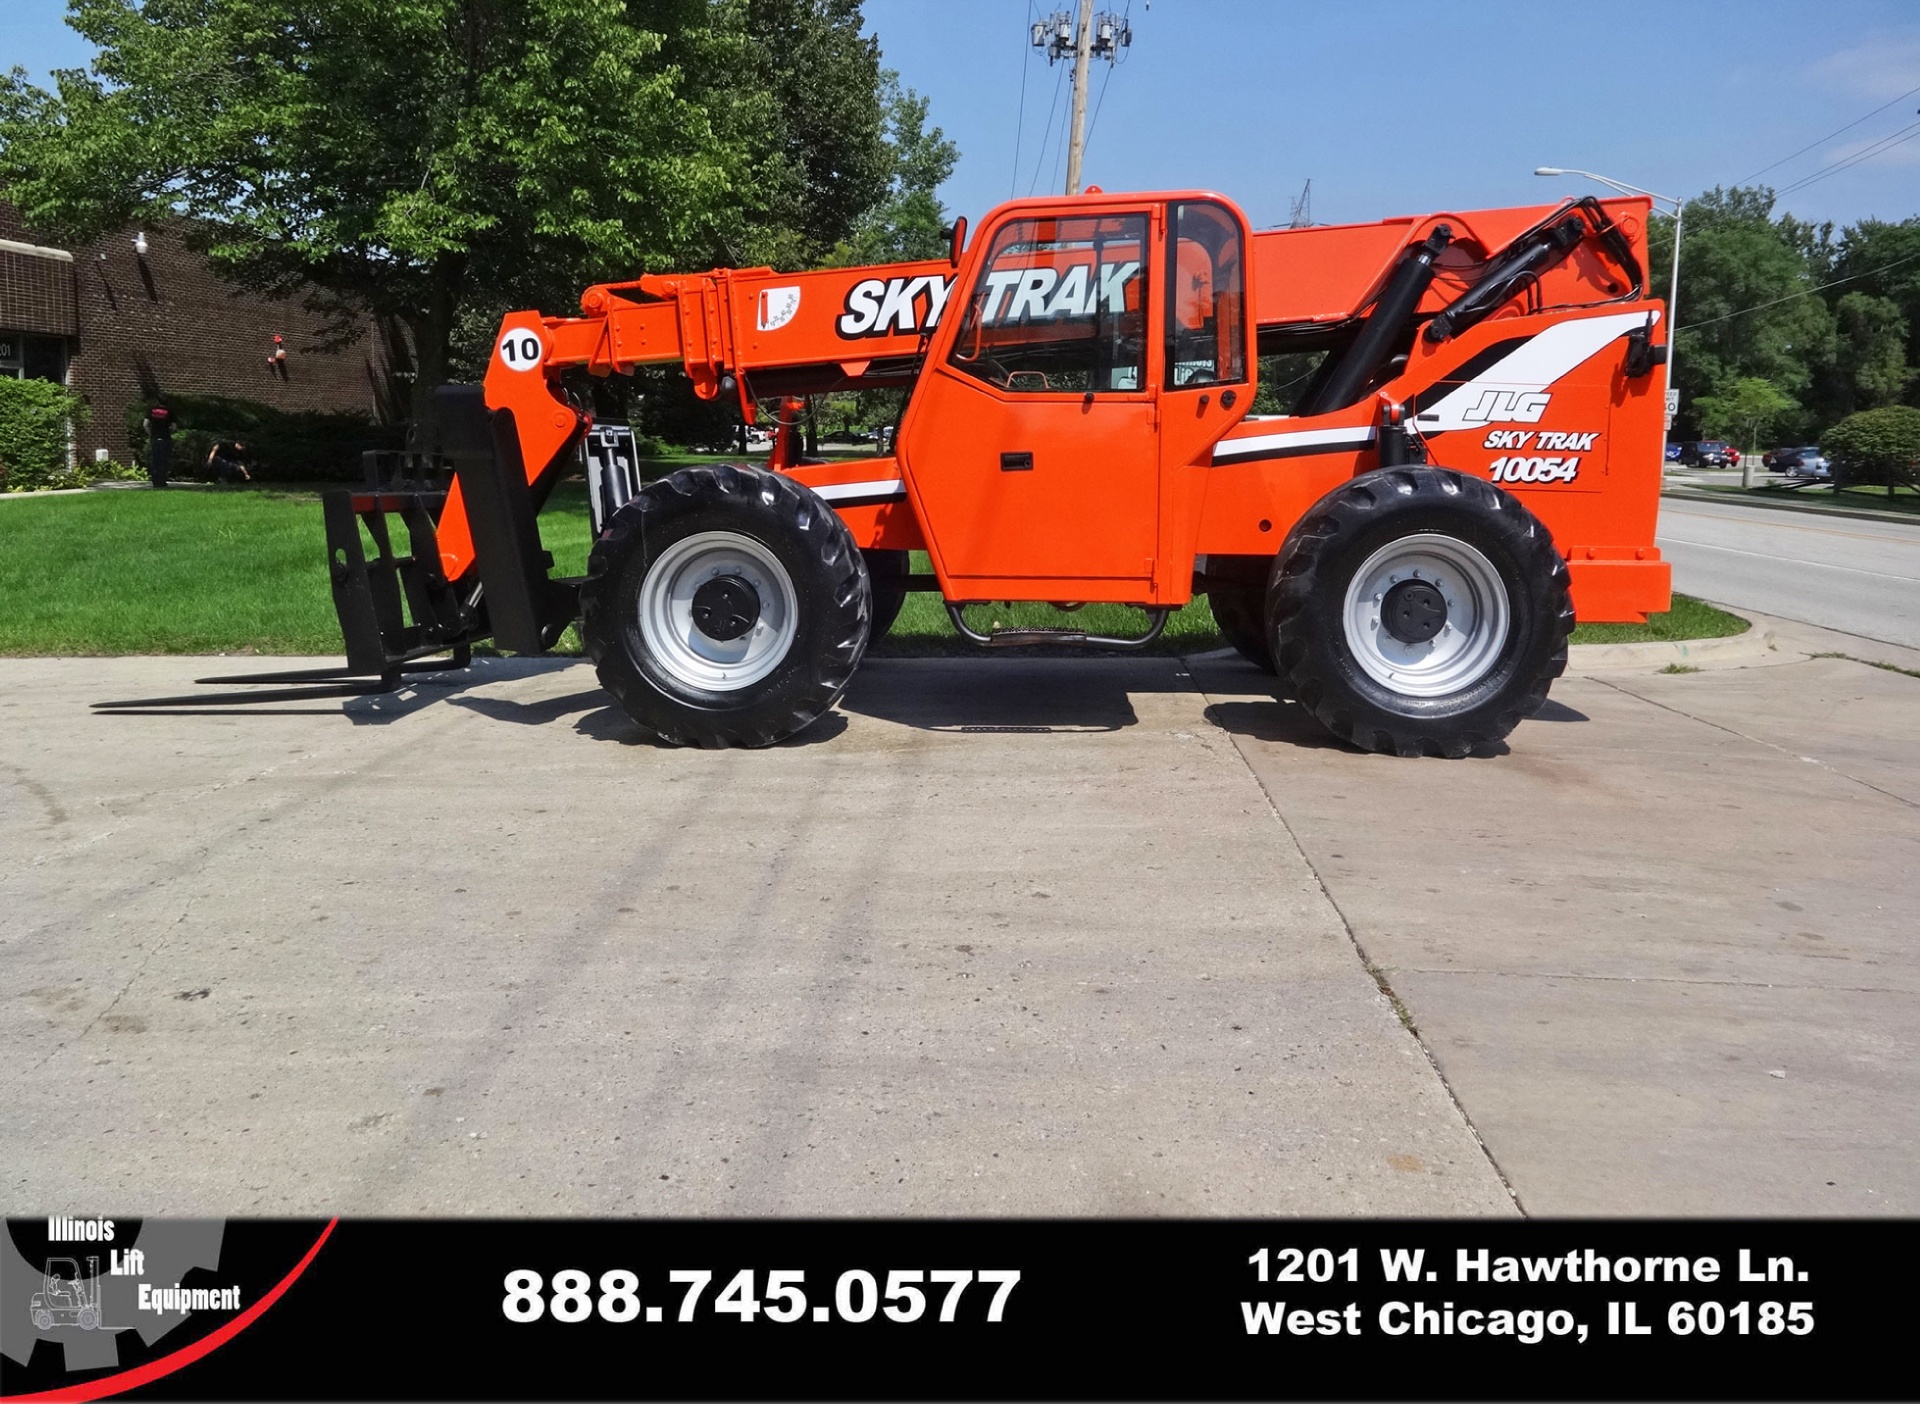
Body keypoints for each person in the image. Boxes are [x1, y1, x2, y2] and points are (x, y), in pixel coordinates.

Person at [147, 406, 173, 488]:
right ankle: (162, 481)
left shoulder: (151, 410)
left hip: (154, 438)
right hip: (165, 438)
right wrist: (168, 432)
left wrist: (150, 434)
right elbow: (174, 426)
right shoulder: (169, 411)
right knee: (163, 461)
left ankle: (155, 481)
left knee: (155, 460)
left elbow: (145, 424)